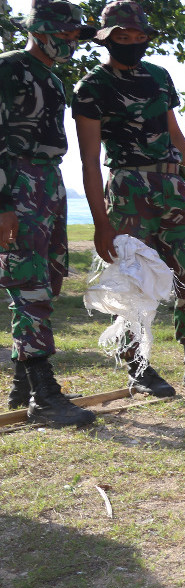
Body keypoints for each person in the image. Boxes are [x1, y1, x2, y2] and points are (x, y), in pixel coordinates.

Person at [73, 0, 185, 395]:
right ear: (107, 39)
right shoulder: (92, 86)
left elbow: (176, 134)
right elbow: (90, 161)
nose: (133, 42)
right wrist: (100, 221)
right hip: (127, 190)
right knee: (131, 280)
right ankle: (138, 370)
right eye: (123, 36)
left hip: (173, 187)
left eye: (140, 36)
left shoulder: (159, 76)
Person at [0, 0, 97, 426]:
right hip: (15, 182)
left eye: (75, 33)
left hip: (48, 181)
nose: (72, 40)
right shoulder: (9, 68)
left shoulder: (53, 78)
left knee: (49, 277)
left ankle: (22, 387)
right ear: (40, 30)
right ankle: (43, 395)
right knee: (27, 282)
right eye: (66, 33)